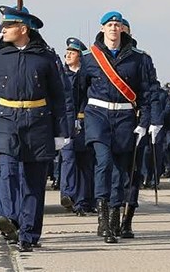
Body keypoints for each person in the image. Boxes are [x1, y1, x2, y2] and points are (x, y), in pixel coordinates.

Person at [0, 5, 69, 252]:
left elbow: (58, 95)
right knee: (7, 170)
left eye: (8, 26)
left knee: (33, 181)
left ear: (23, 29)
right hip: (5, 119)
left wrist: (60, 132)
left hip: (38, 120)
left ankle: (29, 234)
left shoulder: (45, 57)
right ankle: (9, 219)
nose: (3, 29)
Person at [76, 10, 158, 244]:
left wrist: (145, 122)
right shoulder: (90, 58)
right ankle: (102, 216)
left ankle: (114, 216)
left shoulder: (139, 59)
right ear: (102, 28)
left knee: (122, 170)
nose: (113, 28)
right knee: (104, 162)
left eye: (117, 24)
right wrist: (76, 119)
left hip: (125, 118)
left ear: (123, 28)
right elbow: (79, 90)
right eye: (109, 24)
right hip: (98, 116)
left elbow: (148, 92)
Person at [59, 37, 94, 216]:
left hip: (84, 121)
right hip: (65, 123)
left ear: (80, 56)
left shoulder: (86, 76)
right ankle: (68, 195)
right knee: (68, 159)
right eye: (67, 52)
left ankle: (83, 201)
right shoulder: (60, 74)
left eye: (72, 53)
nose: (68, 55)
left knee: (85, 164)